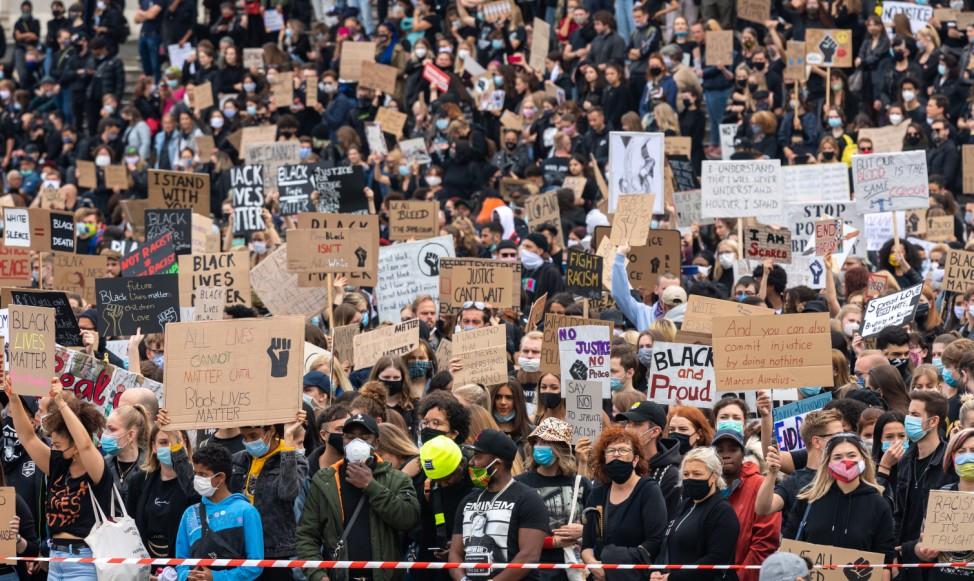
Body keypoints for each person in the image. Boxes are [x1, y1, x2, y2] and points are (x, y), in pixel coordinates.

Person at [6, 377, 113, 581]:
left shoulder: (95, 468)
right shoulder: (57, 466)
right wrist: (13, 398)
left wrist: (61, 402)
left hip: (84, 560)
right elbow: (28, 438)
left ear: (74, 446)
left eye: (57, 445)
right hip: (56, 560)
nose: (52, 449)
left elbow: (86, 446)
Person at [296, 413, 420, 581]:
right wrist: (319, 576)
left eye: (364, 437)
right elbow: (307, 535)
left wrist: (371, 486)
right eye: (350, 437)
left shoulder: (396, 479)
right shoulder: (325, 481)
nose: (356, 443)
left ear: (376, 443)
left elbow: (408, 518)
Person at [448, 429, 549, 581]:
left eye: (478, 456)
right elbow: (455, 553)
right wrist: (463, 579)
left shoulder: (528, 499)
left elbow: (529, 555)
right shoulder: (468, 501)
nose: (471, 462)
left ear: (497, 464)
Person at [787, 433, 895, 561]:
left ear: (863, 459)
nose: (845, 461)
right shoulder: (808, 500)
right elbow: (789, 547)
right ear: (828, 463)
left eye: (852, 455)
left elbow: (885, 559)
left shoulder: (878, 505)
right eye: (837, 457)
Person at [581, 426, 667, 581]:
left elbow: (655, 540)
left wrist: (617, 562)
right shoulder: (598, 494)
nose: (616, 455)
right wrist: (593, 565)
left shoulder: (648, 490)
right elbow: (587, 544)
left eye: (622, 450)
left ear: (635, 460)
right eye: (610, 451)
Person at [232, 414, 309, 580]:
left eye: (253, 436)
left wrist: (288, 442)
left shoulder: (295, 459)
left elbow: (288, 493)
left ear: (270, 430)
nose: (248, 442)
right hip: (240, 548)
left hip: (275, 552)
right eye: (244, 437)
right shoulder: (238, 460)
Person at [175, 444, 264, 581]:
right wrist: (186, 576)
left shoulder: (247, 512)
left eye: (203, 474)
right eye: (195, 473)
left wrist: (217, 577)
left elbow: (255, 565)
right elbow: (181, 561)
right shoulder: (190, 513)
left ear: (221, 477)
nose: (197, 479)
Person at [517, 418, 590, 581]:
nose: (539, 447)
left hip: (571, 568)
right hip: (532, 568)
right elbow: (514, 529)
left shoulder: (580, 483)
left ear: (561, 448)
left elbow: (599, 523)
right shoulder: (520, 483)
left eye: (546, 443)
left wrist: (584, 530)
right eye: (537, 442)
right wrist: (552, 542)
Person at [653, 448, 740, 581]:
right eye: (686, 474)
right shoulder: (684, 505)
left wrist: (673, 578)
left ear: (714, 476)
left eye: (697, 474)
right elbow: (666, 544)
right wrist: (657, 571)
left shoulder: (722, 512)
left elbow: (716, 560)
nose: (690, 478)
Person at [712, 428, 780, 581]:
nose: (726, 454)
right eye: (720, 450)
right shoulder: (708, 486)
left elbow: (765, 542)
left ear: (743, 454)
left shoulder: (760, 485)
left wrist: (739, 578)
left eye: (733, 449)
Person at [906, 428, 974, 579]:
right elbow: (922, 544)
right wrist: (923, 551)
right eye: (961, 451)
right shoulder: (942, 496)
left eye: (973, 450)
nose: (968, 456)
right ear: (952, 458)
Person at [416, 435, 473, 581]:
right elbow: (427, 532)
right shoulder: (430, 488)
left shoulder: (477, 482)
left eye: (448, 478)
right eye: (439, 480)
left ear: (461, 464)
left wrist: (460, 549)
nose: (444, 484)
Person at [615, 401, 682, 520]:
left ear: (655, 431)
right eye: (627, 423)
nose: (628, 429)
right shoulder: (618, 464)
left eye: (636, 424)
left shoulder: (669, 475)